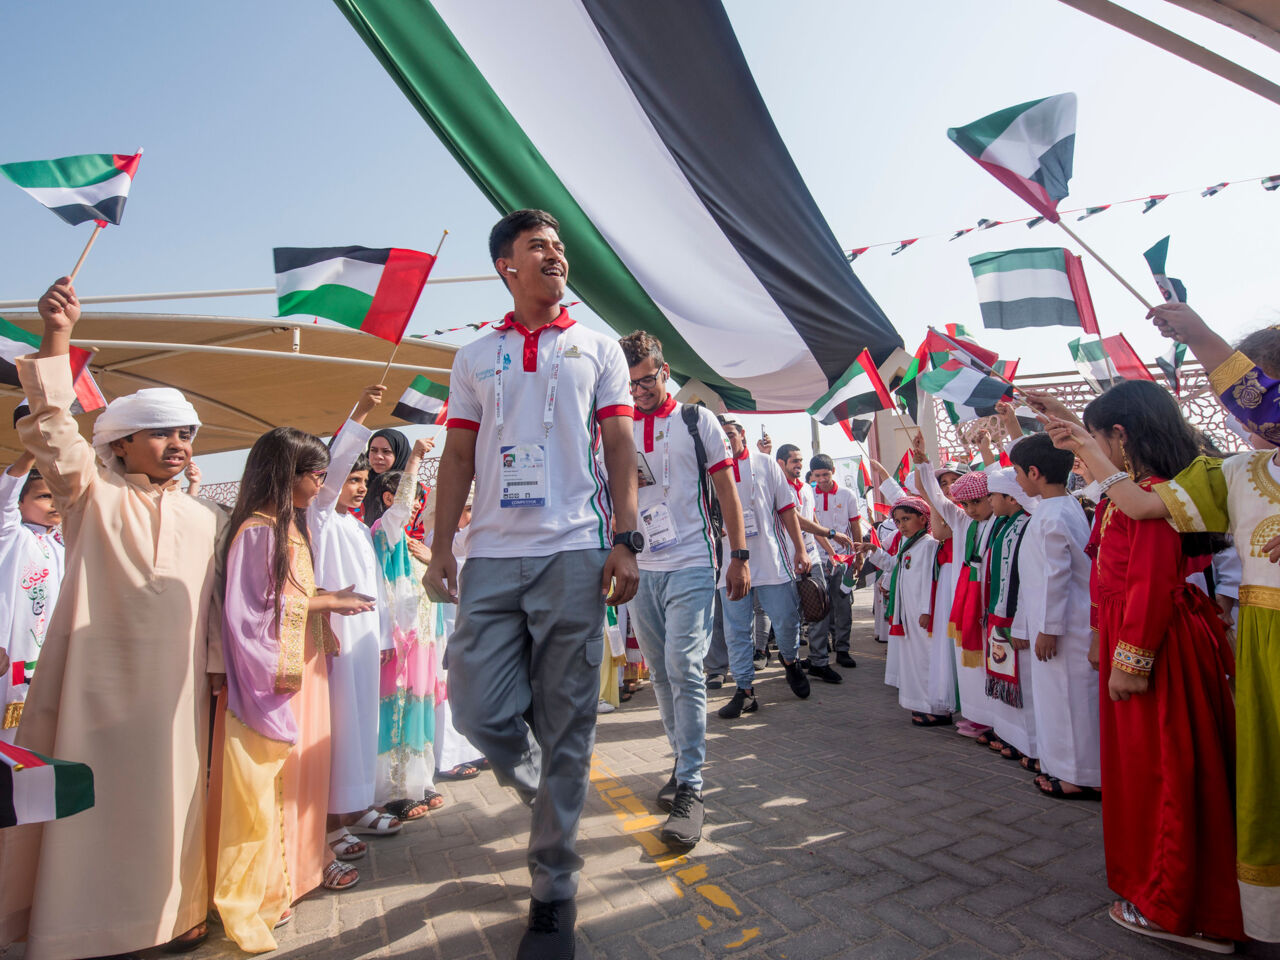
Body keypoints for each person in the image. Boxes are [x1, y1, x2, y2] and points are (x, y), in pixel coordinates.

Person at [423, 209, 639, 959]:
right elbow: (454, 458)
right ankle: (550, 785)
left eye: (559, 247)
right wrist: (439, 544)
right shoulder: (474, 357)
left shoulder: (597, 347)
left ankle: (554, 890)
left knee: (569, 717)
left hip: (576, 551)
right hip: (488, 555)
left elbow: (619, 442)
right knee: (477, 706)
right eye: (537, 247)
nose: (554, 256)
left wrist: (624, 539)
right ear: (505, 267)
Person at [0, 277, 225, 958]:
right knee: (92, 812)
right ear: (121, 443)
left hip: (179, 693)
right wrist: (58, 337)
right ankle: (78, 930)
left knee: (171, 802)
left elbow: (212, 606)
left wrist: (219, 675)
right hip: (93, 690)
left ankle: (173, 918)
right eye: (161, 433)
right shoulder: (89, 495)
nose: (179, 443)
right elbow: (51, 426)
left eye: (186, 433)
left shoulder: (201, 515)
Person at [1046, 375, 1272, 944]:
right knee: (1155, 770)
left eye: (1096, 440)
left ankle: (1183, 908)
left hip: (1157, 646)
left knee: (1166, 772)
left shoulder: (1155, 495)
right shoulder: (1139, 492)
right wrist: (1103, 634)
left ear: (1119, 437)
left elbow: (1149, 583)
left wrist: (1131, 659)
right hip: (1145, 638)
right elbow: (1112, 577)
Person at [214, 427, 375, 951]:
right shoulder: (259, 531)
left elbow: (285, 596)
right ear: (289, 475)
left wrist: (326, 595)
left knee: (307, 776)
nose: (321, 484)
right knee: (279, 784)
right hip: (280, 677)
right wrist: (327, 604)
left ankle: (304, 869)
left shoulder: (283, 526)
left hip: (304, 667)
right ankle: (269, 889)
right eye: (317, 475)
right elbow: (250, 615)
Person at [619, 331, 748, 846]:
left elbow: (726, 490)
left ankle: (692, 786)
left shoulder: (697, 420)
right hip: (641, 568)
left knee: (684, 666)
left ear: (664, 369)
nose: (639, 390)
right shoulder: (619, 425)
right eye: (630, 384)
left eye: (647, 379)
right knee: (660, 675)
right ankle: (680, 760)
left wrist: (738, 557)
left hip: (693, 561)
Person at [308, 386, 401, 862]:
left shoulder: (359, 527)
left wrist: (384, 636)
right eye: (353, 478)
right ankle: (329, 824)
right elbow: (336, 465)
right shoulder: (320, 516)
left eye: (364, 480)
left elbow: (376, 587)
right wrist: (361, 411)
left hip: (366, 640)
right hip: (336, 638)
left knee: (364, 723)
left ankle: (358, 804)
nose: (359, 486)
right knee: (339, 727)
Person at [1008, 433, 1100, 801]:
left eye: (1017, 472)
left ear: (1034, 472)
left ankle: (1081, 774)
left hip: (1065, 627)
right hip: (1060, 623)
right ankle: (1060, 763)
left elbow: (1055, 576)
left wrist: (1048, 629)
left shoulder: (1056, 512)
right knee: (1057, 701)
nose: (1015, 481)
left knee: (1070, 701)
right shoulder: (1058, 507)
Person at [715, 419, 812, 716]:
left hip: (770, 560)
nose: (725, 441)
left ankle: (791, 662)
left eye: (730, 435)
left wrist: (799, 549)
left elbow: (786, 508)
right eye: (719, 437)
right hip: (730, 564)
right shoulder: (709, 468)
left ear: (742, 435)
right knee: (736, 630)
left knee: (785, 620)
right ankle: (744, 689)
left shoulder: (765, 463)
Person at [370, 444, 445, 821]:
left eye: (417, 500)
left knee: (420, 710)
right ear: (389, 498)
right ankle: (392, 789)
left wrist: (431, 561)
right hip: (396, 645)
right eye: (412, 498)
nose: (414, 506)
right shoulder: (385, 531)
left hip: (423, 644)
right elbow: (400, 509)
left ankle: (420, 781)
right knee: (395, 712)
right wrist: (414, 458)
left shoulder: (414, 545)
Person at [913, 434, 996, 737]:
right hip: (966, 598)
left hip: (989, 599)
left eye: (977, 502)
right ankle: (976, 715)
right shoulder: (962, 521)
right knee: (968, 662)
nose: (972, 509)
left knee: (990, 659)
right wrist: (924, 465)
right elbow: (936, 498)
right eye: (967, 503)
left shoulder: (1000, 523)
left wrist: (986, 448)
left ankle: (994, 720)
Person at [857, 498, 949, 725]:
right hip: (908, 611)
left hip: (921, 613)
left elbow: (930, 578)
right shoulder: (908, 545)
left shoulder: (928, 544)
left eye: (906, 519)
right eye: (898, 521)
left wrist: (926, 610)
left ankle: (937, 708)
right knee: (915, 659)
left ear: (923, 518)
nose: (901, 526)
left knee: (927, 658)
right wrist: (873, 551)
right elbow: (893, 565)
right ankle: (921, 704)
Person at [775, 444, 855, 683]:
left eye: (800, 460)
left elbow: (814, 521)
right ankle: (792, 661)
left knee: (819, 608)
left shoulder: (807, 489)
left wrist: (830, 552)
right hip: (786, 559)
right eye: (793, 461)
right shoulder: (779, 488)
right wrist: (831, 533)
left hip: (813, 558)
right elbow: (797, 521)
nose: (798, 464)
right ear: (781, 464)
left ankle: (819, 662)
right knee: (790, 615)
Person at [0, 451, 64, 744]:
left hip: (47, 654)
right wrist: (30, 454)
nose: (54, 503)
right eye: (44, 496)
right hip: (13, 652)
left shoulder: (61, 547)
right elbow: (5, 497)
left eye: (58, 496)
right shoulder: (12, 535)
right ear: (20, 503)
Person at [981, 468, 1037, 765]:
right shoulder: (1002, 525)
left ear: (1013, 499)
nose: (989, 500)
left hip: (1017, 617)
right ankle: (1011, 735)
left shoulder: (1027, 524)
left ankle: (1029, 742)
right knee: (1006, 680)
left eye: (993, 495)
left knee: (1023, 683)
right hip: (999, 614)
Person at [810, 453, 861, 668]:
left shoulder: (846, 494)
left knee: (842, 605)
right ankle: (819, 653)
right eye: (818, 475)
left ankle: (842, 649)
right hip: (817, 559)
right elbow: (810, 527)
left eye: (826, 474)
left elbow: (856, 525)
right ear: (812, 475)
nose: (822, 479)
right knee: (819, 607)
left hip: (844, 559)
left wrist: (859, 556)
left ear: (833, 471)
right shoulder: (808, 494)